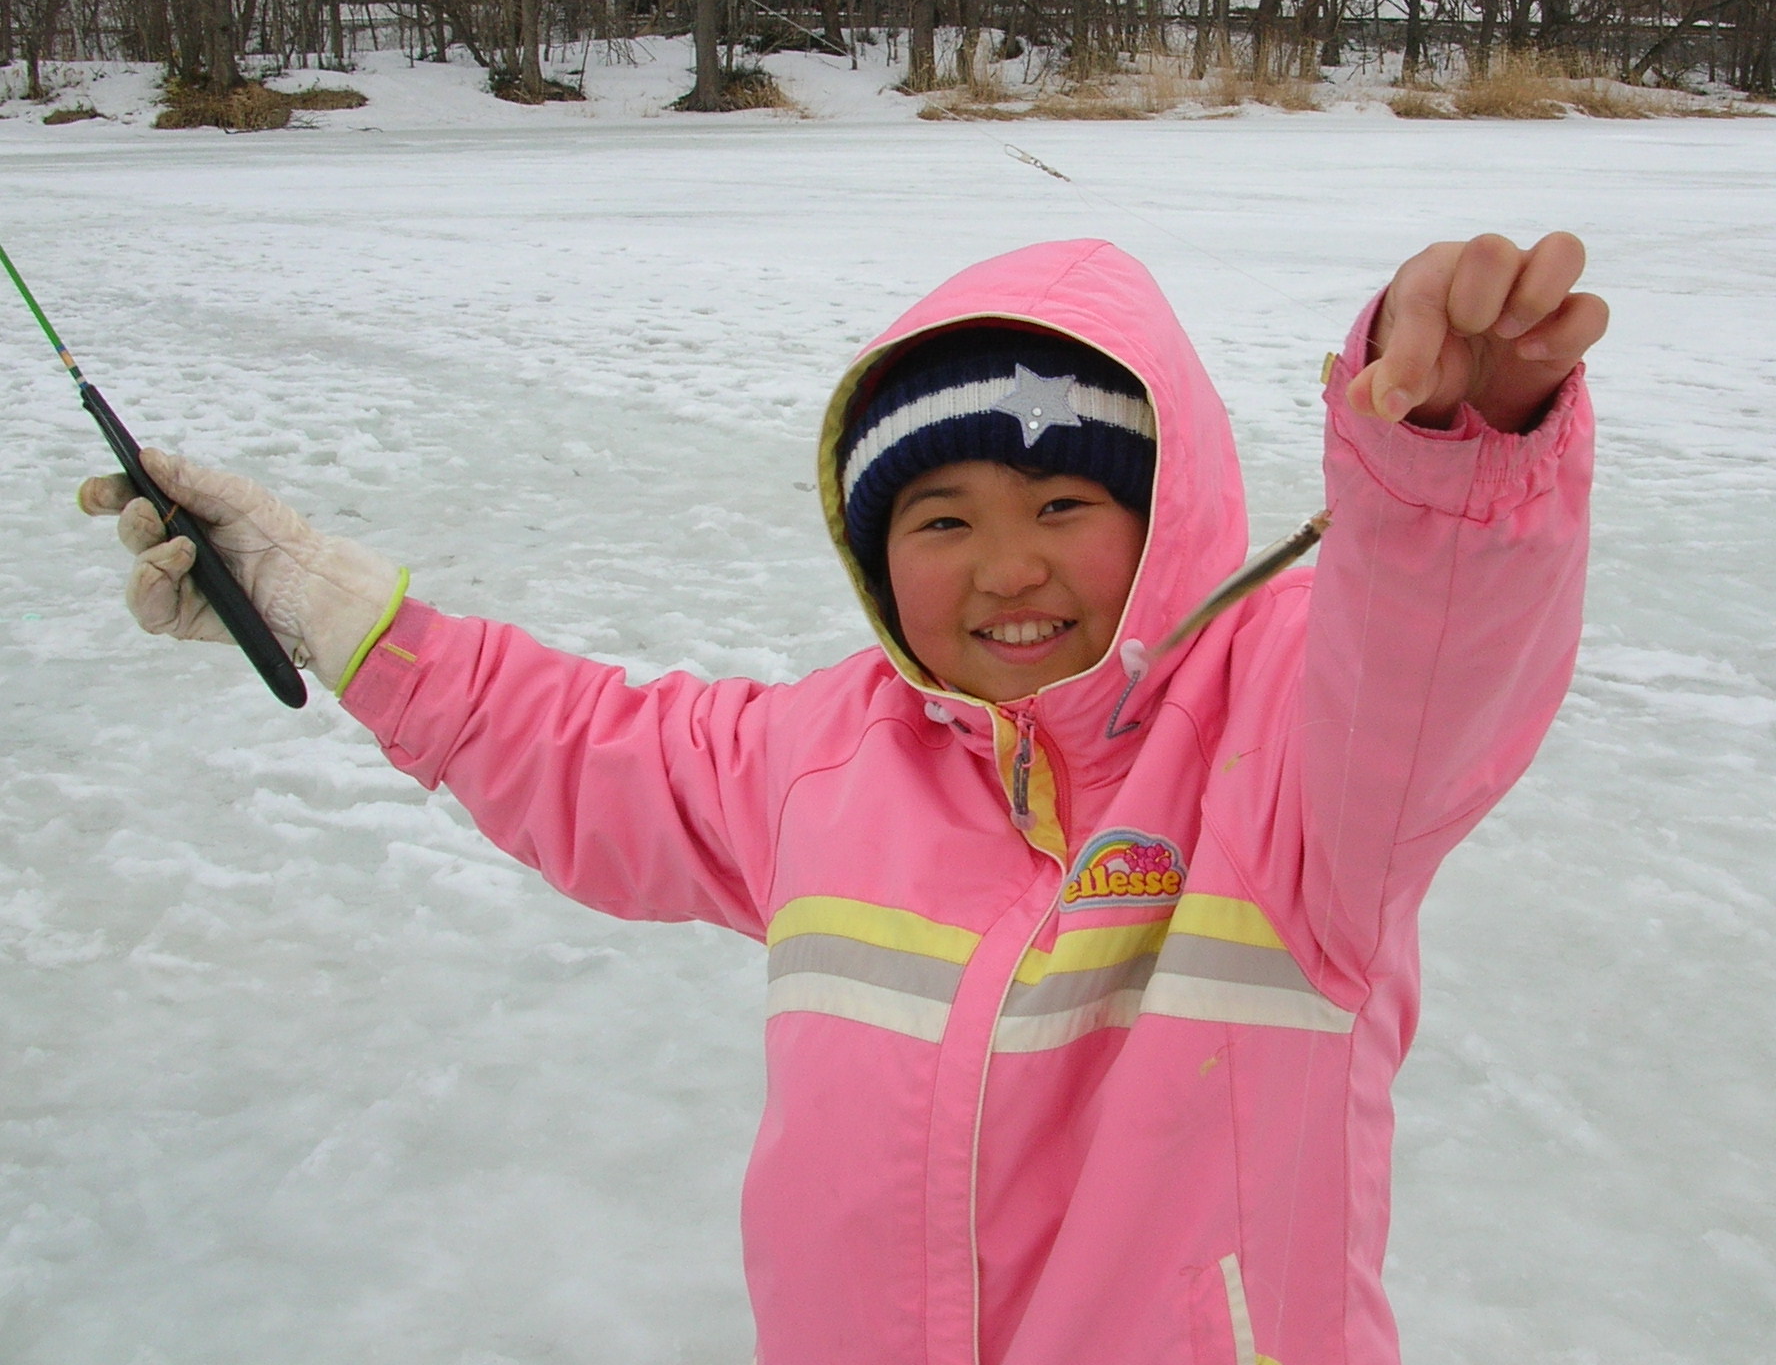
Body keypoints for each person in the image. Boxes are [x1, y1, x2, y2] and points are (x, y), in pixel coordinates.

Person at [81, 232, 1605, 1365]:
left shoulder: (1293, 761)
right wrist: (327, 606)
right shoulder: (826, 758)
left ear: (1162, 517)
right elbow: (572, 742)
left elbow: (1436, 649)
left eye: (1063, 503)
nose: (1008, 569)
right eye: (942, 520)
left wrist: (1449, 464)